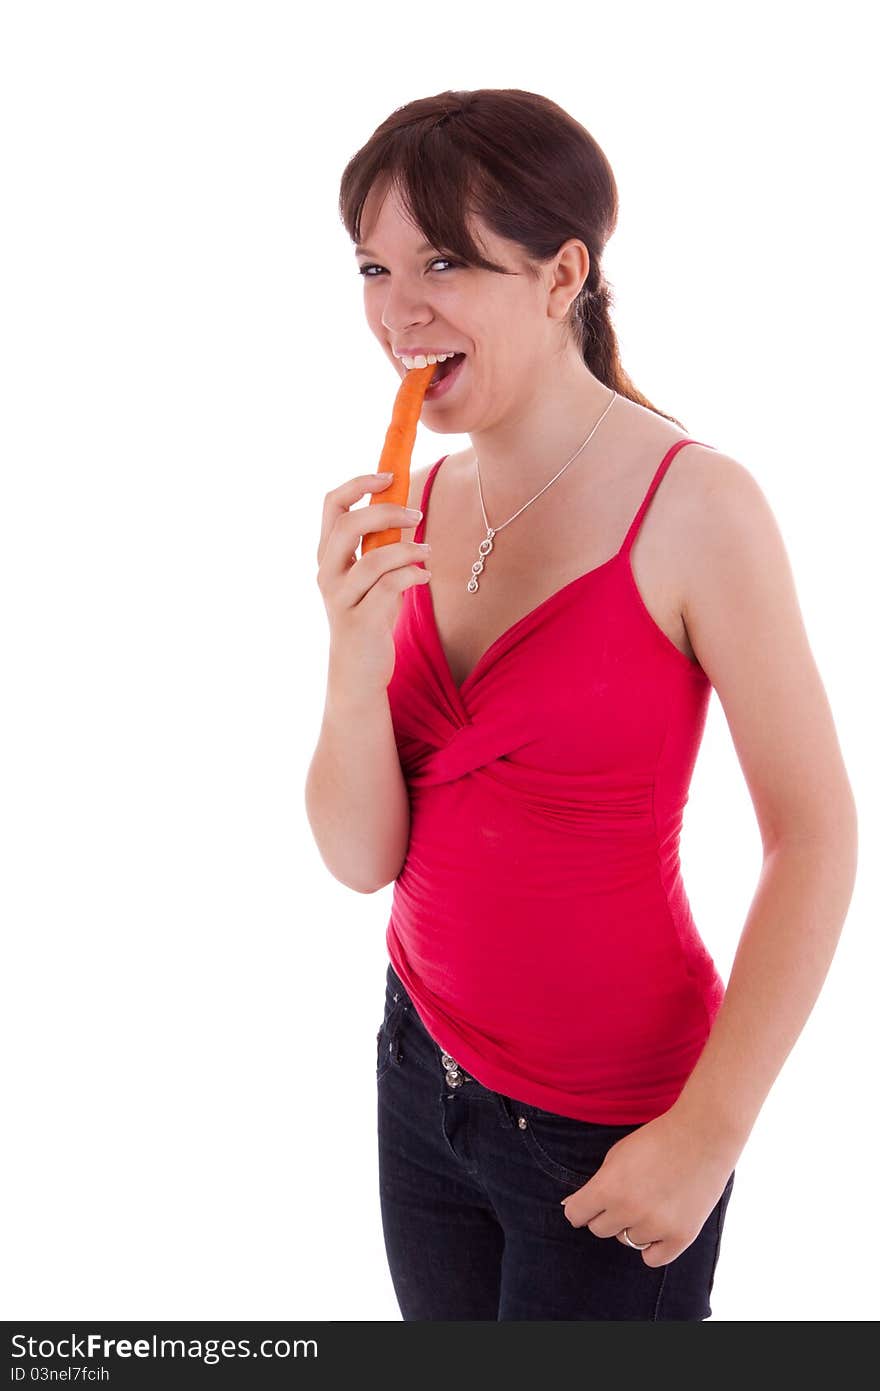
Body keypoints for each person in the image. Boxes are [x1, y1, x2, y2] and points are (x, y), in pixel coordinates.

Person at [305, 88, 858, 1320]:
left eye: (444, 260)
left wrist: (709, 1132)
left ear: (563, 275)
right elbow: (362, 859)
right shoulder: (421, 502)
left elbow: (815, 834)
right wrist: (348, 657)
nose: (398, 310)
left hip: (612, 1130)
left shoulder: (698, 506)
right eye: (373, 265)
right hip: (418, 1068)